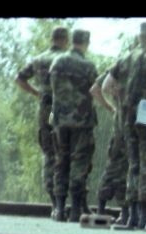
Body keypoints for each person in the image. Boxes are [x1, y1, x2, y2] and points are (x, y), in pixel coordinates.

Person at [14, 26, 70, 218]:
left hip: (45, 109)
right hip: (66, 111)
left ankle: (55, 204)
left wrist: (36, 93)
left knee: (49, 153)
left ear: (51, 39)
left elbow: (19, 79)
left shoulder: (38, 59)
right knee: (66, 153)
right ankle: (65, 204)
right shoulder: (66, 59)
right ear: (65, 40)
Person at [48, 30, 98, 222]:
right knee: (79, 162)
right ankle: (76, 209)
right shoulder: (87, 66)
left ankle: (60, 209)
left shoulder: (57, 62)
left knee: (61, 162)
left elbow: (51, 88)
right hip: (81, 121)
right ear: (85, 42)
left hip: (60, 121)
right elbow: (95, 89)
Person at [119, 22, 146, 230]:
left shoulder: (127, 58)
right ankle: (145, 215)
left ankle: (131, 216)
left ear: (139, 37)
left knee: (133, 164)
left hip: (127, 117)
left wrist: (121, 105)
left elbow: (108, 85)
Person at [90, 37, 136, 221]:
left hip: (120, 123)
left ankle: (102, 208)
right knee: (124, 167)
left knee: (114, 165)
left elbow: (95, 89)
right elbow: (96, 89)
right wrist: (112, 107)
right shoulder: (133, 69)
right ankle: (123, 212)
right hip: (130, 124)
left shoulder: (117, 68)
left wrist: (112, 108)